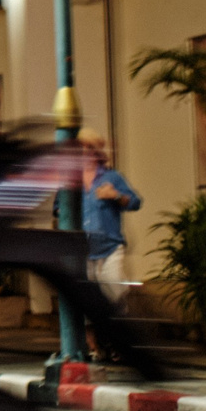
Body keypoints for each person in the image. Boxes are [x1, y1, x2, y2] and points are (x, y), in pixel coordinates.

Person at [80, 129, 141, 312]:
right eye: (81, 147)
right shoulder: (72, 182)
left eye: (89, 147)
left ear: (97, 151)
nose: (85, 152)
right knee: (86, 298)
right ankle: (91, 339)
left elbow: (135, 202)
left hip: (110, 246)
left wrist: (115, 195)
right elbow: (58, 208)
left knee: (115, 290)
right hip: (82, 249)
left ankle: (120, 331)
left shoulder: (111, 177)